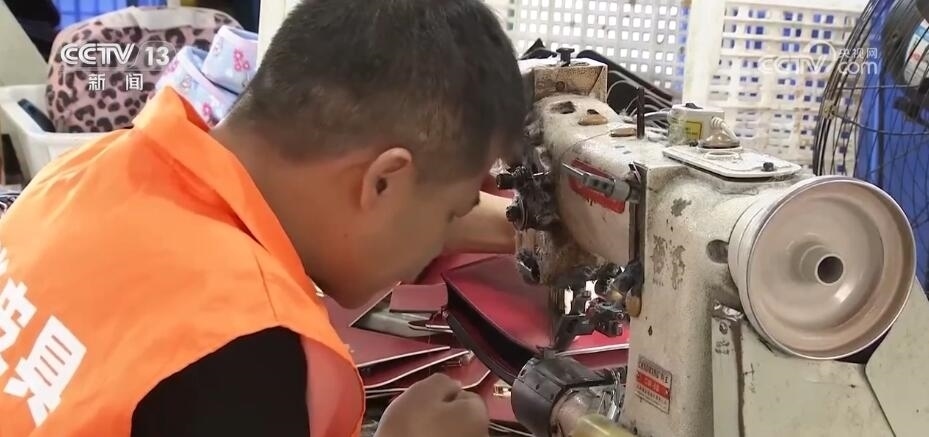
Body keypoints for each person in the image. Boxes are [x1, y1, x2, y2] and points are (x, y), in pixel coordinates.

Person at [0, 0, 525, 436]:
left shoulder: (90, 168)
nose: (438, 243)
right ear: (383, 181)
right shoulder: (242, 349)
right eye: (449, 215)